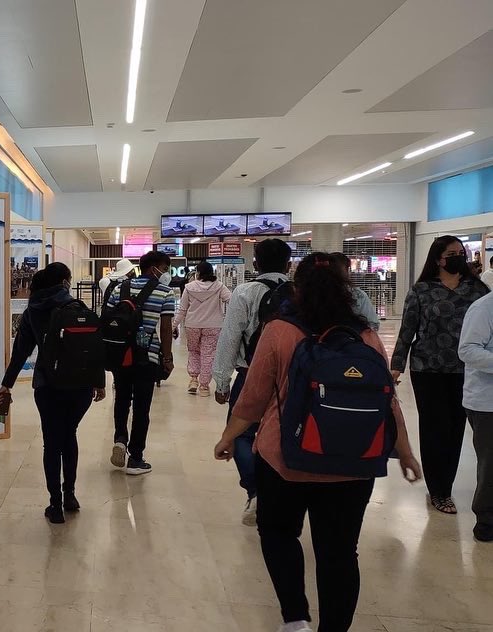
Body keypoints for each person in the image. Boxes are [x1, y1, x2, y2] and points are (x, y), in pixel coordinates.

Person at [214, 252, 421, 632]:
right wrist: (404, 451)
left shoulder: (279, 330)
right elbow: (387, 399)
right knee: (340, 552)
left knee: (278, 533)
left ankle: (295, 619)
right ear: (347, 288)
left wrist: (228, 438)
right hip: (353, 462)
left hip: (285, 459)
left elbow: (255, 398)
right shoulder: (366, 335)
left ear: (297, 286)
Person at [0, 263, 106, 524]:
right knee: (70, 435)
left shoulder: (33, 312)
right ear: (65, 282)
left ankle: (55, 505)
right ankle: (70, 495)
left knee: (52, 442)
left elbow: (21, 353)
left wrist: (7, 384)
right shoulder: (79, 308)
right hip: (80, 387)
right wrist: (99, 382)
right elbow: (93, 348)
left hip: (47, 387)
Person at [392, 235, 489, 514]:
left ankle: (445, 481)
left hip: (465, 370)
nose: (458, 256)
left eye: (461, 252)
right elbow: (407, 331)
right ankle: (439, 491)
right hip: (427, 370)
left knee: (456, 430)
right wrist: (396, 365)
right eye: (451, 253)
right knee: (435, 429)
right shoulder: (422, 290)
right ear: (438, 259)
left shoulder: (477, 290)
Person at [212, 238, 292, 525]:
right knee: (286, 433)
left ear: (255, 264)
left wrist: (221, 381)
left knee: (241, 434)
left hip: (250, 375)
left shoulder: (245, 292)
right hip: (292, 379)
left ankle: (256, 490)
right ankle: (281, 491)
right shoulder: (301, 293)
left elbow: (230, 338)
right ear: (289, 264)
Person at [108, 251, 176, 476]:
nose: (165, 274)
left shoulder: (119, 289)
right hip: (147, 356)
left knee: (122, 399)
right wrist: (167, 358)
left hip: (120, 354)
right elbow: (165, 328)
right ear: (154, 267)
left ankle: (119, 439)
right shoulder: (165, 292)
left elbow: (107, 320)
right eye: (165, 269)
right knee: (141, 407)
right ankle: (136, 458)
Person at [458, 292, 493, 542]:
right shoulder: (483, 308)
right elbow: (468, 350)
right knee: (491, 464)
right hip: (486, 402)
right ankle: (486, 521)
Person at [173, 261, 231, 397]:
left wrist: (173, 325)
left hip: (192, 325)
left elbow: (182, 309)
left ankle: (193, 380)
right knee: (208, 355)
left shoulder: (189, 287)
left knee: (193, 351)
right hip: (213, 325)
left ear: (197, 272)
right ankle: (204, 387)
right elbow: (231, 299)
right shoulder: (219, 286)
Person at [330, 252, 379, 331]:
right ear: (347, 271)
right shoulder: (358, 295)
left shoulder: (311, 294)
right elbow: (373, 324)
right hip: (352, 340)